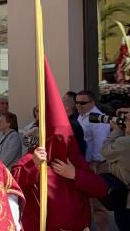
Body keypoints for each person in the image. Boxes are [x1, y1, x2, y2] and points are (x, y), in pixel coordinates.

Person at [12, 60, 107, 231]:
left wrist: (75, 174)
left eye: (64, 138)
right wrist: (32, 165)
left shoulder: (74, 159)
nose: (60, 143)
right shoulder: (34, 156)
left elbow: (100, 188)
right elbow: (13, 182)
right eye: (55, 138)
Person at [75, 89, 111, 231]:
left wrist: (94, 164)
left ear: (92, 102)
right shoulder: (81, 117)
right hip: (85, 165)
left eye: (83, 102)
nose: (79, 105)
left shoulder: (98, 119)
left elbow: (100, 145)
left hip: (96, 166)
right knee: (86, 204)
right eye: (77, 102)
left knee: (98, 206)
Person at [101, 108, 130, 230]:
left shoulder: (125, 142)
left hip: (126, 202)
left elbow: (105, 150)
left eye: (128, 120)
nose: (125, 122)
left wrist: (116, 131)